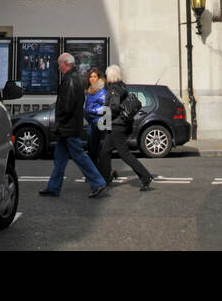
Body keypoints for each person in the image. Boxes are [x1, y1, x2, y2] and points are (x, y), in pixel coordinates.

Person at [39, 53, 108, 198]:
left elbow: (68, 105)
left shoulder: (70, 79)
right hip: (68, 127)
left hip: (67, 127)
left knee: (79, 156)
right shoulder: (75, 78)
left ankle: (98, 182)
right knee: (60, 158)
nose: (58, 67)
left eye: (59, 64)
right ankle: (53, 187)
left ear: (66, 64)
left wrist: (61, 121)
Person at [102, 64, 154, 190]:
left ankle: (145, 176)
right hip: (119, 124)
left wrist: (103, 113)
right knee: (104, 152)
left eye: (107, 74)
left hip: (116, 125)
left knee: (124, 154)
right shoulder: (122, 86)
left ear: (110, 75)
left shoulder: (113, 89)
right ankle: (105, 177)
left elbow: (113, 108)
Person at [84, 66, 108, 171]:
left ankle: (103, 171)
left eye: (94, 77)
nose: (92, 79)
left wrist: (92, 111)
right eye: (90, 77)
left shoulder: (101, 91)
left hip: (98, 123)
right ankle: (98, 171)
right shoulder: (90, 90)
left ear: (98, 78)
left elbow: (105, 107)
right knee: (91, 149)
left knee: (95, 149)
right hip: (91, 122)